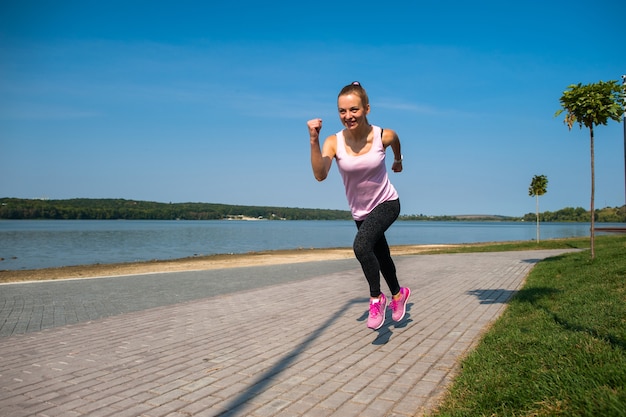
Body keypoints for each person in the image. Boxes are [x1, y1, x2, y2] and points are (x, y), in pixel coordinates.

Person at [307, 81, 411, 330]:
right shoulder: (334, 142)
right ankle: (399, 295)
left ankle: (377, 298)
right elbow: (320, 175)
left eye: (353, 110)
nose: (348, 116)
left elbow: (395, 139)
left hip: (387, 202)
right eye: (342, 111)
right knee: (381, 255)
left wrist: (398, 160)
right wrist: (314, 140)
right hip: (361, 212)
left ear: (367, 108)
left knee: (361, 247)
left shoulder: (381, 135)